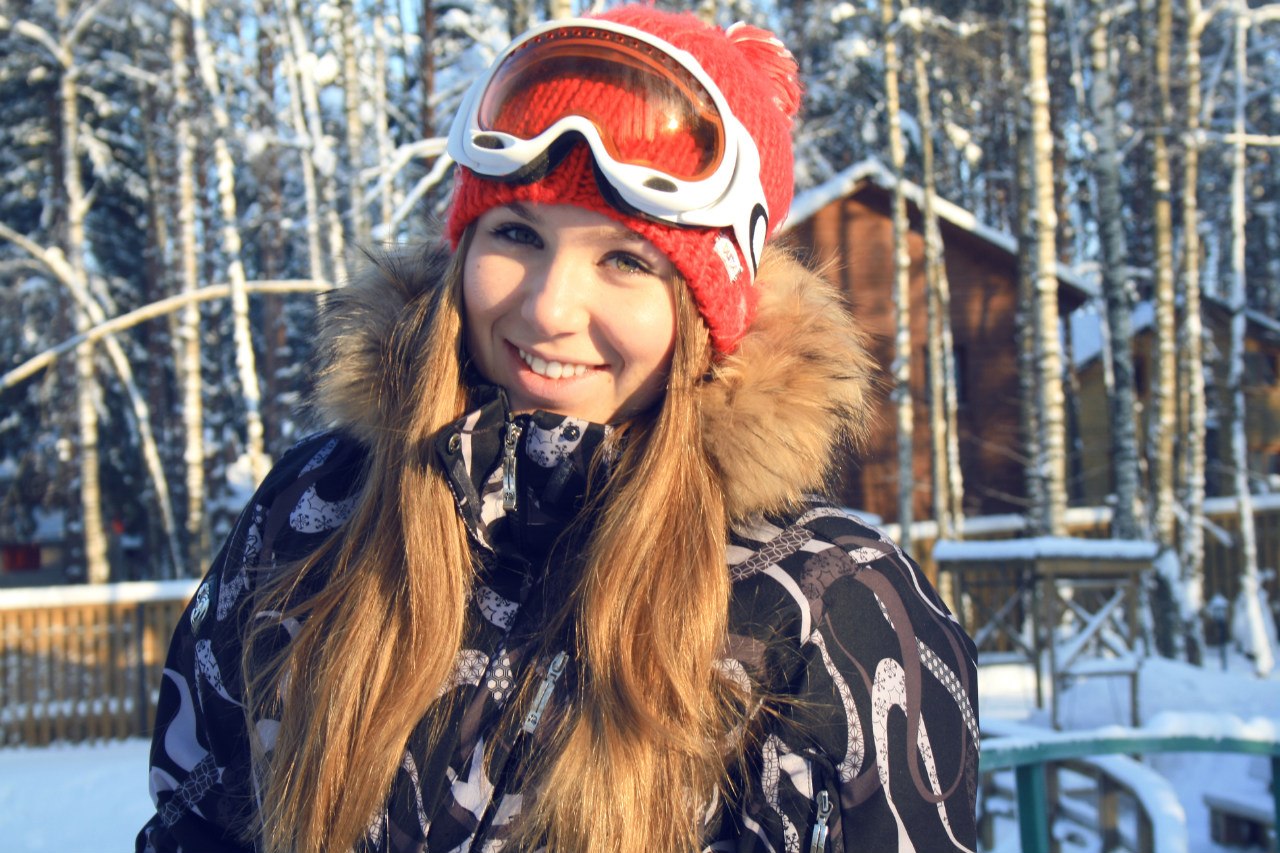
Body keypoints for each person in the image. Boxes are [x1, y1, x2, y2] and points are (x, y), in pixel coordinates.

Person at [137, 6, 979, 853]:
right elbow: (195, 822)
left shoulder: (832, 612)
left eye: (625, 260)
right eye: (516, 233)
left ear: (707, 312)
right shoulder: (316, 511)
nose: (547, 309)